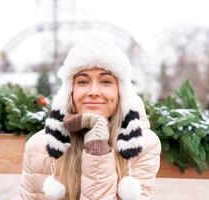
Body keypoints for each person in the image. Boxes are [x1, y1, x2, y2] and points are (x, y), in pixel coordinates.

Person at [20, 38, 161, 200]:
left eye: (106, 81)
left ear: (120, 92)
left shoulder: (142, 144)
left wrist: (97, 147)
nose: (93, 91)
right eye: (83, 81)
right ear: (70, 91)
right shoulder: (40, 145)